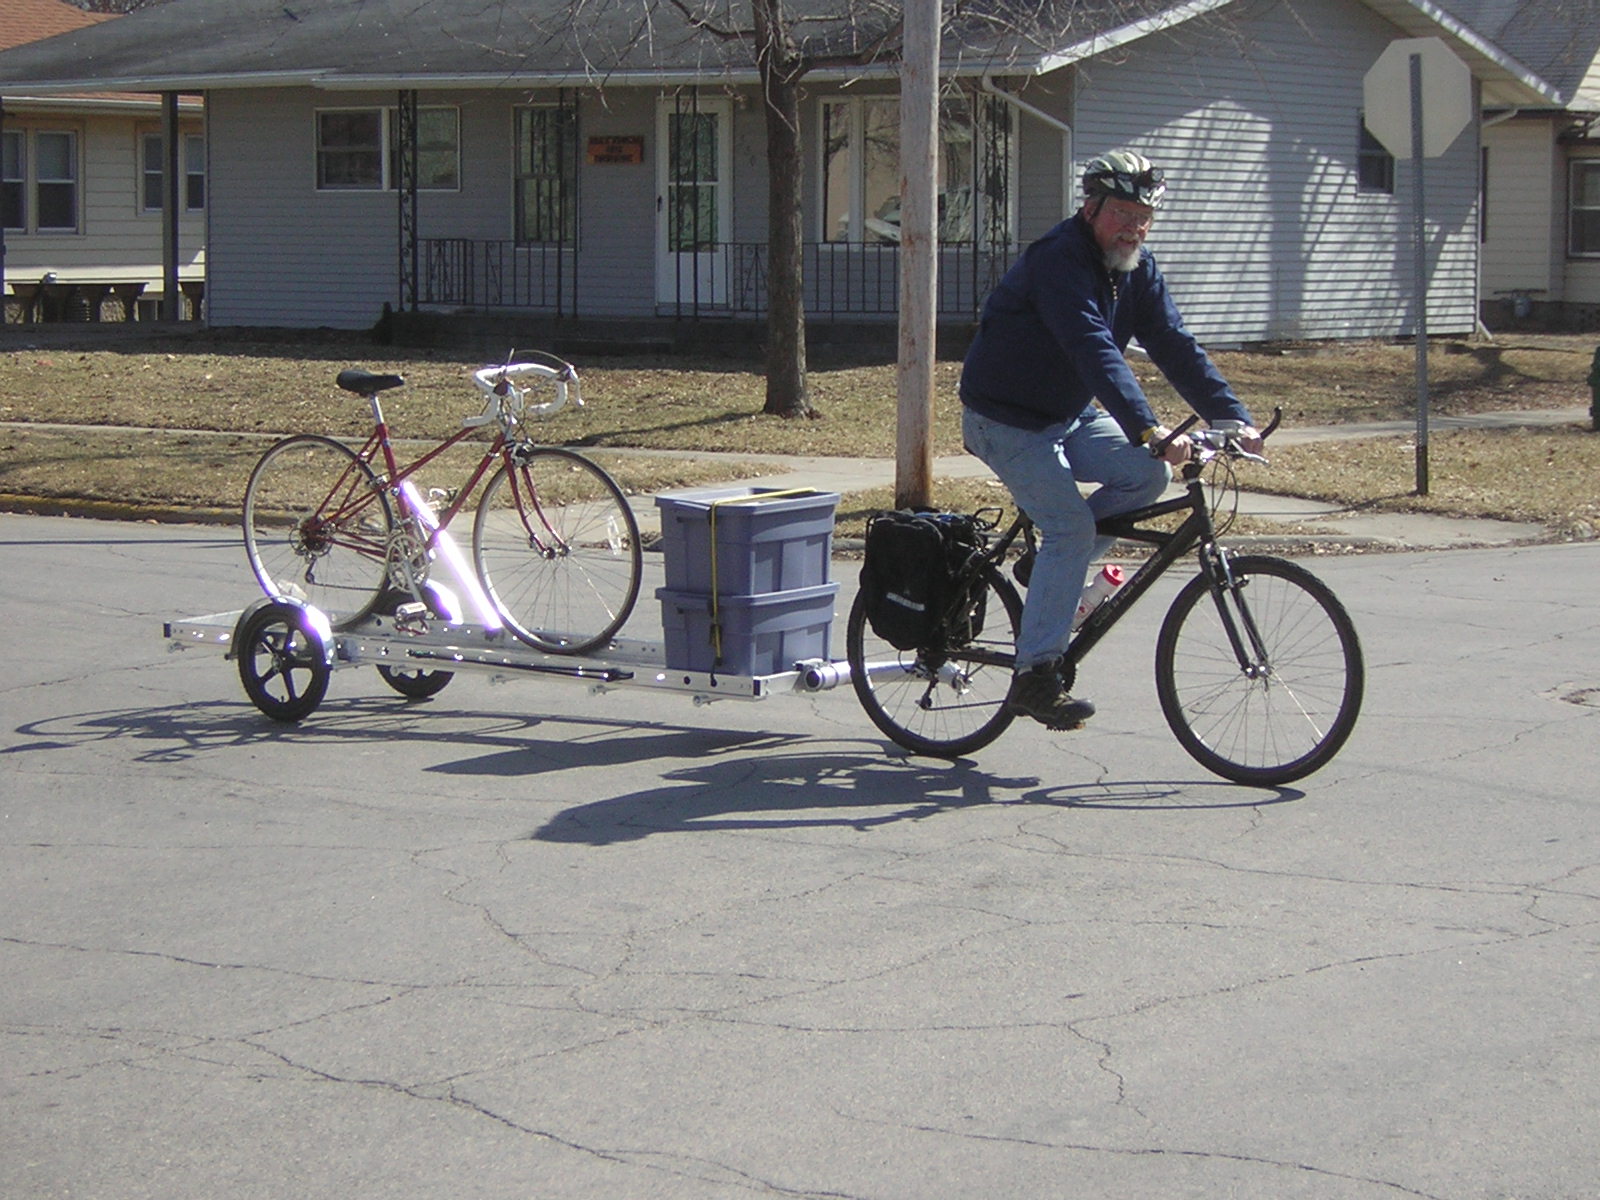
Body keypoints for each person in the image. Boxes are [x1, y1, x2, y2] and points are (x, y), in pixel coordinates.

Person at [959, 149, 1262, 730]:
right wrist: (1147, 428)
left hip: (1066, 415)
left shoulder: (1135, 269)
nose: (1134, 227)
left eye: (1144, 216)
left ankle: (1047, 570)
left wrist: (1232, 419)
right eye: (1123, 212)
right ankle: (1035, 676)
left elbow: (1174, 343)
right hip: (1004, 421)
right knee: (1070, 527)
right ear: (1091, 207)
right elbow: (1093, 348)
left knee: (1148, 475)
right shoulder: (1059, 262)